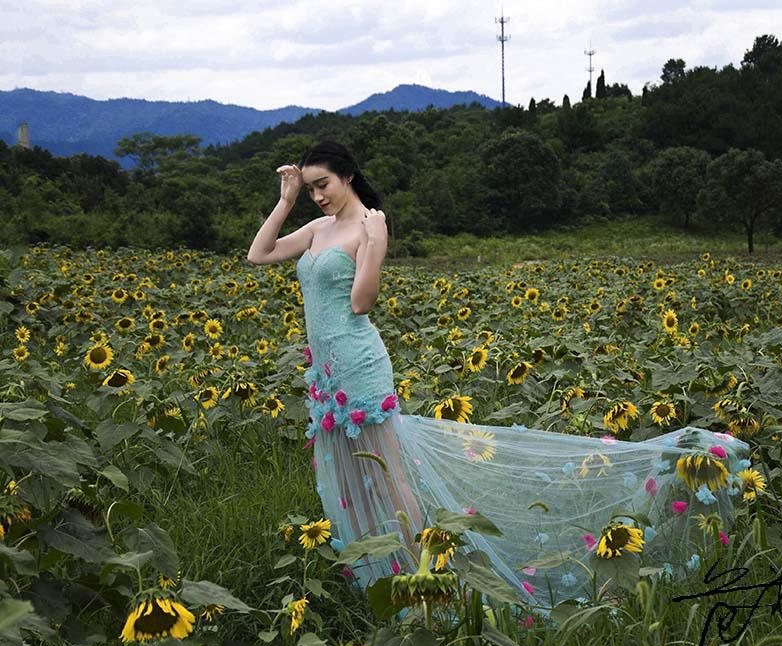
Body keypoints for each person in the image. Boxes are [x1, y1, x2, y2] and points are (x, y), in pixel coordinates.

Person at [247, 139, 754, 609]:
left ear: (349, 175)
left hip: (359, 365)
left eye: (322, 185)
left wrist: (376, 245)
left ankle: (422, 573)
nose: (318, 196)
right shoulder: (317, 229)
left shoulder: (368, 227)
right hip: (326, 374)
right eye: (309, 188)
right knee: (351, 477)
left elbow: (361, 303)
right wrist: (285, 201)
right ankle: (376, 573)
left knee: (385, 475)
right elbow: (259, 254)